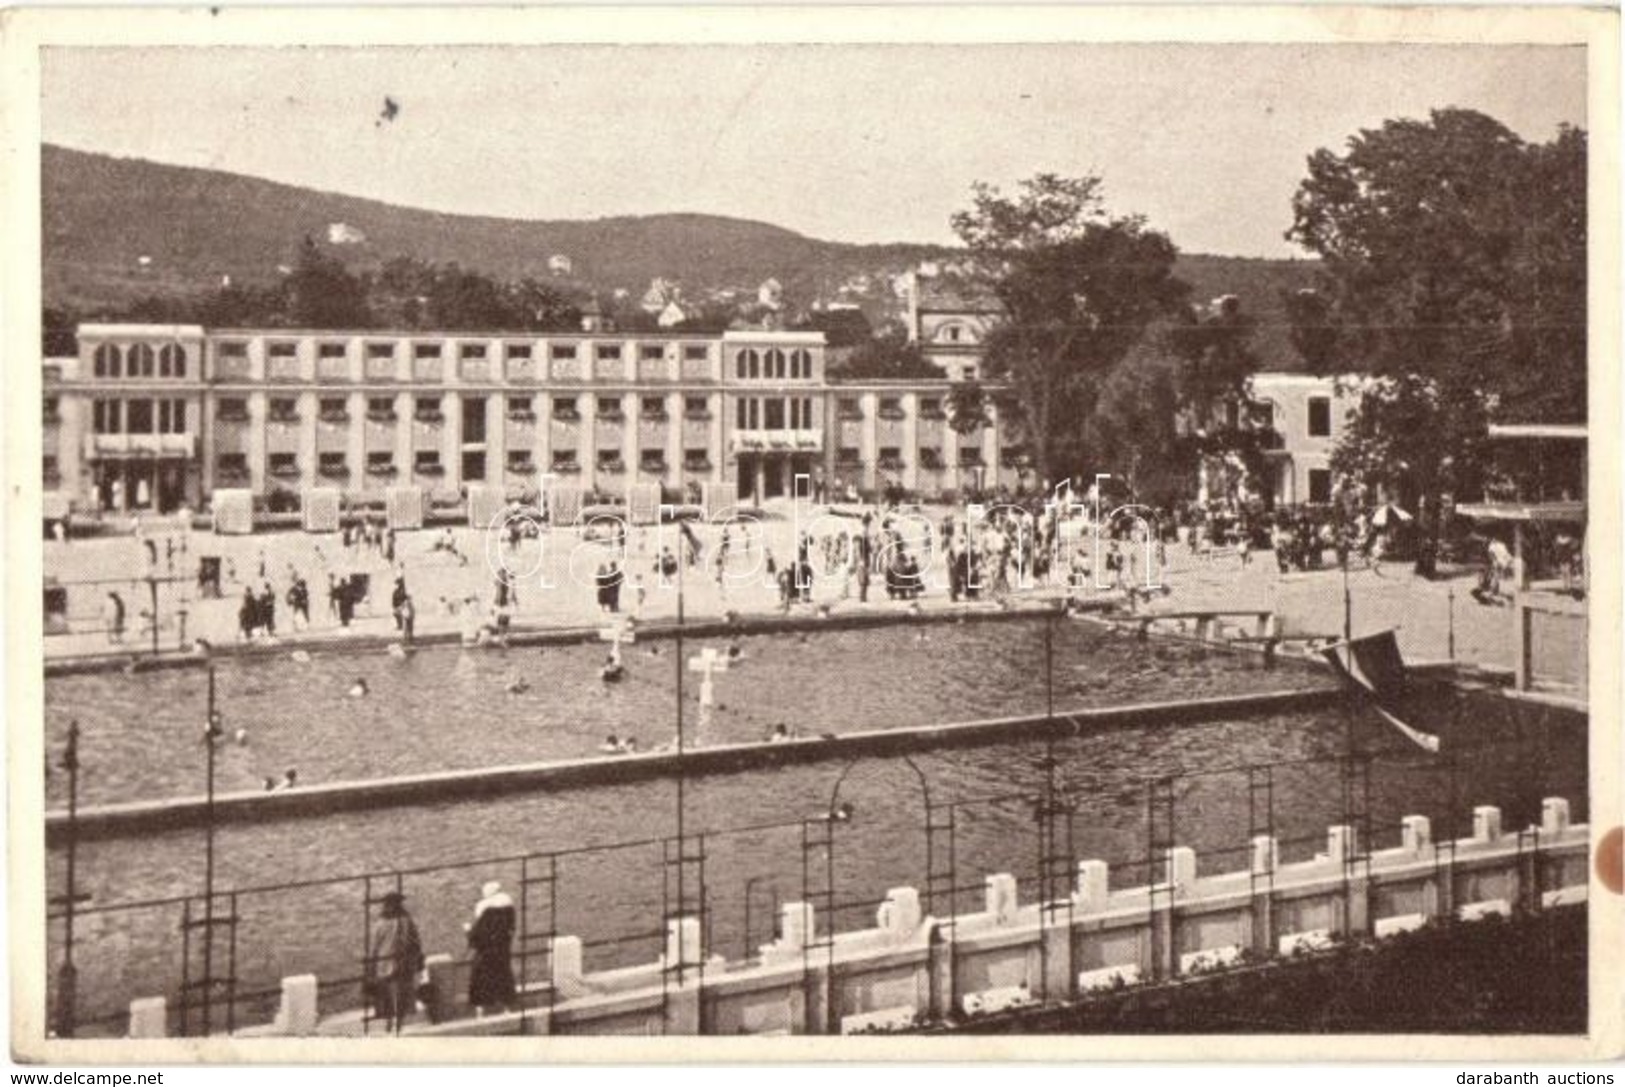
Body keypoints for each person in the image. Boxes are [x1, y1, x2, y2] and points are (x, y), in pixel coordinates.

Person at [368, 891, 425, 1031]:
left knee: (386, 993)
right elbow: (415, 941)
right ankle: (399, 1021)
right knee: (401, 991)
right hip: (403, 961)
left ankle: (389, 1022)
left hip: (385, 963)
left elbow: (374, 946)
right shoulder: (406, 920)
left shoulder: (380, 923)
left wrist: (371, 964)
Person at [465, 882, 517, 1016]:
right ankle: (506, 1009)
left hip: (486, 953)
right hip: (502, 952)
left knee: (480, 979)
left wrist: (467, 930)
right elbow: (510, 931)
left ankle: (480, 1012)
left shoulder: (486, 911)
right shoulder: (509, 910)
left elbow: (476, 937)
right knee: (503, 977)